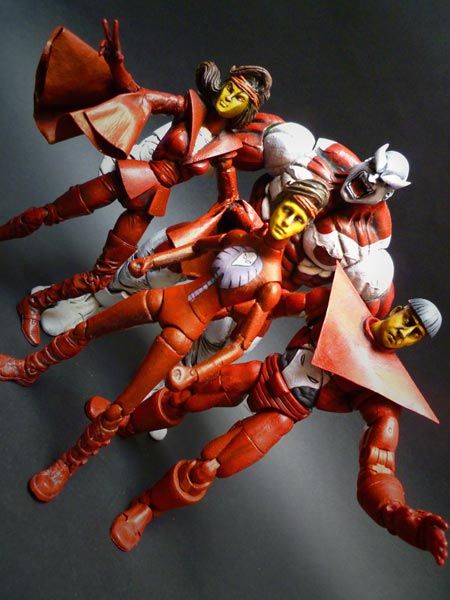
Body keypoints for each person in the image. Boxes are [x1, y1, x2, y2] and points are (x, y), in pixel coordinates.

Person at [78, 266, 446, 564]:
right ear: (397, 310)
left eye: (414, 333)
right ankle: (127, 423)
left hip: (283, 413)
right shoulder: (341, 308)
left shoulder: (381, 385)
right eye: (408, 319)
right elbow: (281, 303)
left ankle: (148, 507)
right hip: (263, 372)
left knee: (209, 467)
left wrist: (395, 513)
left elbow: (379, 462)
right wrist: (234, 311)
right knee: (182, 396)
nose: (404, 331)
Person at [0, 20, 279, 346]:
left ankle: (35, 303)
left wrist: (256, 227)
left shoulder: (226, 148)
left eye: (240, 98)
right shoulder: (189, 107)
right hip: (127, 176)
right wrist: (116, 62)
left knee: (103, 274)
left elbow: (229, 198)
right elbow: (136, 93)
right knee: (50, 214)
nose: (230, 97)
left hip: (150, 200)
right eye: (231, 88)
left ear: (246, 109)